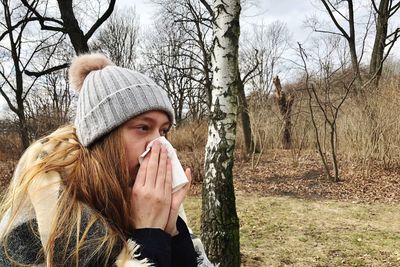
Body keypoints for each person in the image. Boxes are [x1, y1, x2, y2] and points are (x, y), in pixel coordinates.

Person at [0, 54, 212, 266]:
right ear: (103, 138)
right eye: (143, 128)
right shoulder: (42, 219)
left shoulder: (152, 203)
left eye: (163, 131)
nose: (161, 146)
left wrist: (171, 230)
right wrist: (149, 236)